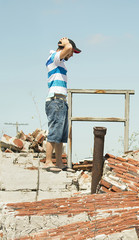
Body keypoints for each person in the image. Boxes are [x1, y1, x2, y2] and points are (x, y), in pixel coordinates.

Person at [44, 37, 81, 172]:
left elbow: (69, 50)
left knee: (61, 134)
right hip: (55, 100)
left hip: (61, 101)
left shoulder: (61, 63)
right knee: (54, 131)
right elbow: (68, 49)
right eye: (72, 52)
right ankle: (48, 161)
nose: (71, 55)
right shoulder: (54, 57)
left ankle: (59, 163)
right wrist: (66, 44)